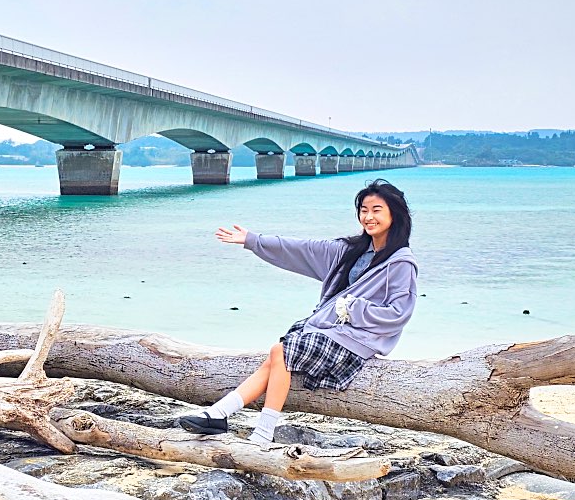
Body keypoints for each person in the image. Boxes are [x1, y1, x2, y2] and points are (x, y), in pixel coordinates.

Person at [178, 179, 417, 446]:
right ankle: (219, 414)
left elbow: (399, 313)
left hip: (357, 342)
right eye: (363, 209)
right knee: (276, 355)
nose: (368, 217)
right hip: (328, 332)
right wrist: (252, 240)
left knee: (280, 352)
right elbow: (300, 248)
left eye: (376, 210)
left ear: (394, 214)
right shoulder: (350, 251)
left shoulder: (401, 263)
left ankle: (262, 432)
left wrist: (354, 309)